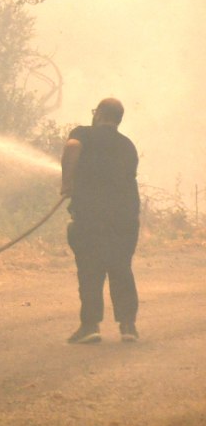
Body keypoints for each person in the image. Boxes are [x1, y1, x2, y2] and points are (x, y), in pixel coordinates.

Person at [60, 98, 140, 344]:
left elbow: (72, 147)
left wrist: (67, 182)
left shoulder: (84, 133)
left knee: (90, 270)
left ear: (99, 114)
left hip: (91, 216)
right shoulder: (128, 145)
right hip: (124, 218)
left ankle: (90, 326)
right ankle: (128, 326)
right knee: (121, 268)